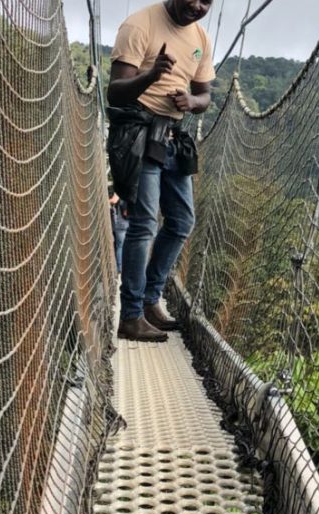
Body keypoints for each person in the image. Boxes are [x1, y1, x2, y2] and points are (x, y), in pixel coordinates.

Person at [106, 0, 214, 342]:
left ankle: (151, 300)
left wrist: (191, 102)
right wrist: (151, 75)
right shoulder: (140, 25)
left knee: (182, 221)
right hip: (138, 134)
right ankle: (131, 315)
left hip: (172, 137)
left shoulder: (200, 37)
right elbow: (115, 91)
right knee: (144, 223)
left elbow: (205, 95)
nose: (197, 6)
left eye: (207, 1)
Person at [109, 190, 129, 274]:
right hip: (132, 224)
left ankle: (120, 268)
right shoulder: (135, 189)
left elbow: (113, 200)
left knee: (120, 246)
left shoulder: (120, 190)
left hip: (121, 224)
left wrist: (107, 201)